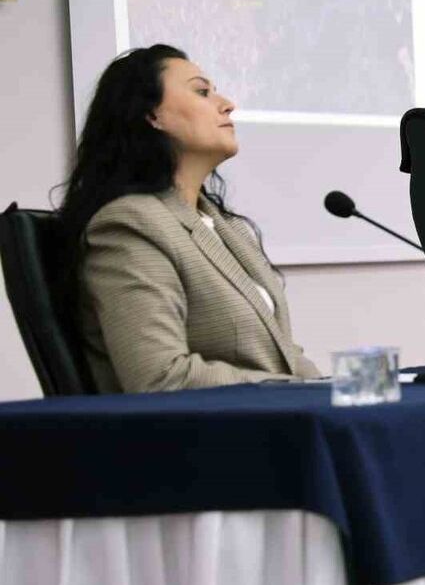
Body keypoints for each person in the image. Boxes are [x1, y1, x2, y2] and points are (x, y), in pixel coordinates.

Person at [57, 44, 321, 392]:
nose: (228, 104)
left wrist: (340, 389)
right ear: (153, 115)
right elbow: (160, 377)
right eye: (202, 92)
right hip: (206, 426)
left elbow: (284, 356)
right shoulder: (129, 225)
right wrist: (290, 388)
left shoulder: (227, 228)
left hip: (272, 415)